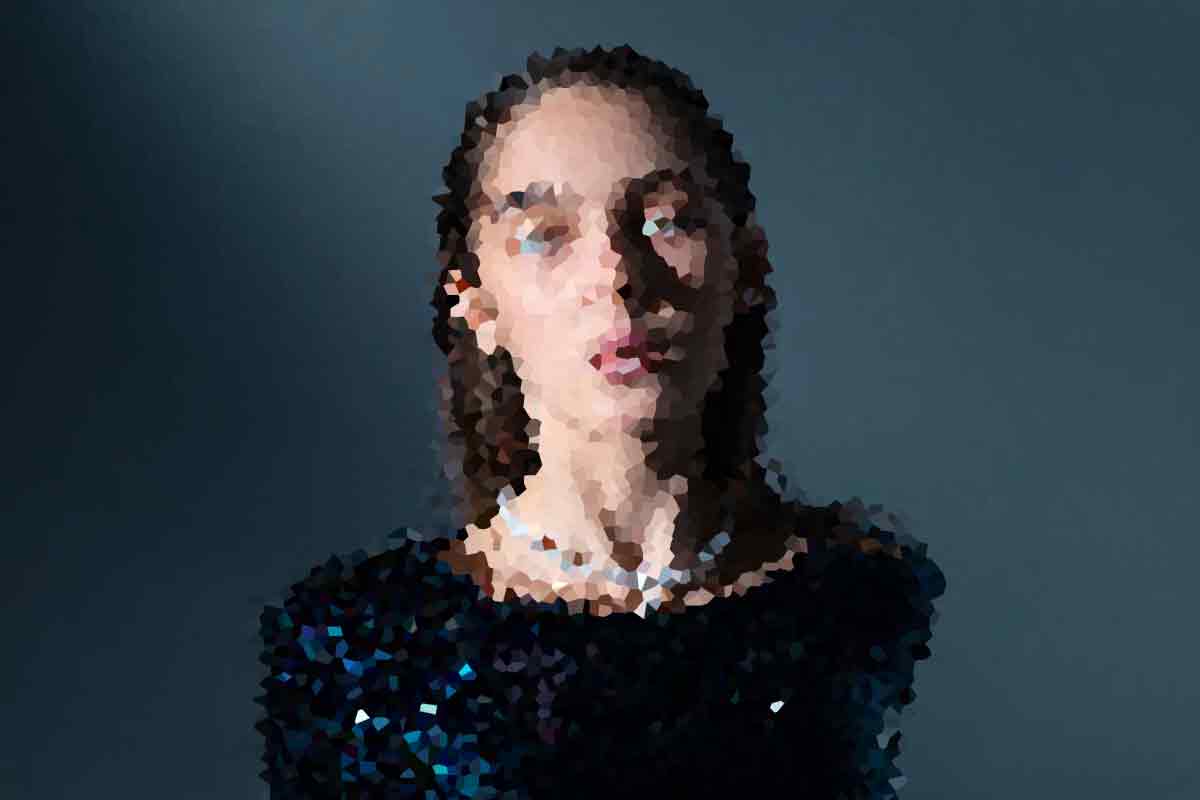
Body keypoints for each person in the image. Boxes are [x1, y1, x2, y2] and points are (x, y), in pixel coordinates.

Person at [256, 44, 946, 798]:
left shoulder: (873, 605)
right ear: (476, 302)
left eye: (665, 221)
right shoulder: (361, 642)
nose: (617, 277)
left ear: (747, 268)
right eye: (544, 235)